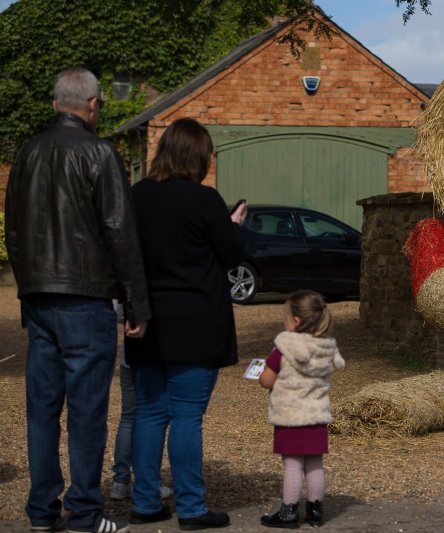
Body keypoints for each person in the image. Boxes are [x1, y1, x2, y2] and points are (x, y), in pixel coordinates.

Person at [4, 67, 150, 533]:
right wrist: (136, 304)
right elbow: (120, 232)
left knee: (42, 410)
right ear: (93, 104)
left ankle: (42, 511)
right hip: (85, 297)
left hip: (40, 297)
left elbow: (13, 230)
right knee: (87, 412)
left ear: (54, 104)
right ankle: (85, 513)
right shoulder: (99, 152)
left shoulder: (26, 154)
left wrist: (27, 285)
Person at [125, 118, 246, 530]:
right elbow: (231, 255)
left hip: (146, 319)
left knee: (149, 413)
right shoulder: (204, 200)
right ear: (197, 156)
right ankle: (192, 508)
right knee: (186, 416)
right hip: (196, 320)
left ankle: (144, 502)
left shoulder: (137, 196)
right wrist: (233, 226)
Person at [259, 290, 345, 528]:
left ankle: (289, 511)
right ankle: (316, 511)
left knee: (292, 464)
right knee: (315, 463)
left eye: (285, 318)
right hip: (316, 415)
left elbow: (267, 380)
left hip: (290, 416)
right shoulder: (325, 348)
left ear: (295, 321)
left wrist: (261, 372)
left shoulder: (284, 347)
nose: (283, 322)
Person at [109, 300, 172, 502]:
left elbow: (119, 312)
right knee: (153, 418)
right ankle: (149, 482)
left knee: (128, 417)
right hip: (156, 354)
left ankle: (120, 481)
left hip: (130, 352)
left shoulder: (131, 285)